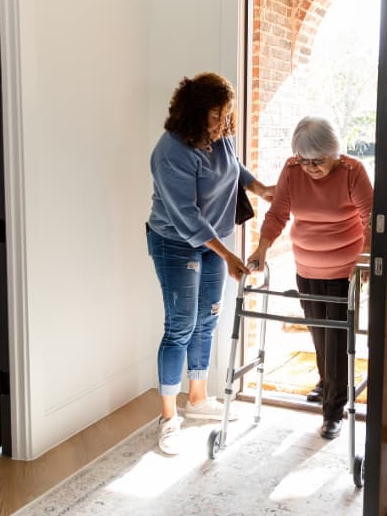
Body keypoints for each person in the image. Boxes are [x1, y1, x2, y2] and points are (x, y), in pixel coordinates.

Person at [147, 72, 274, 454]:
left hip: (213, 244)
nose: (223, 124)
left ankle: (198, 399)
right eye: (216, 117)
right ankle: (169, 419)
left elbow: (234, 168)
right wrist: (230, 255)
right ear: (193, 113)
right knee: (180, 327)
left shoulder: (221, 136)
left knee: (209, 318)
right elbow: (187, 219)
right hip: (175, 241)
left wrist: (261, 188)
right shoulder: (170, 152)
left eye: (226, 116)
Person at [247, 116, 373, 439]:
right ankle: (327, 384)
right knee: (318, 334)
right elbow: (277, 214)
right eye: (305, 161)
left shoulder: (352, 172)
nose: (311, 168)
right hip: (306, 267)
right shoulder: (292, 171)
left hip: (344, 270)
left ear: (335, 152)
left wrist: (367, 258)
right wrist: (261, 249)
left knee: (336, 339)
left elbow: (370, 215)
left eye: (318, 161)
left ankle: (334, 411)